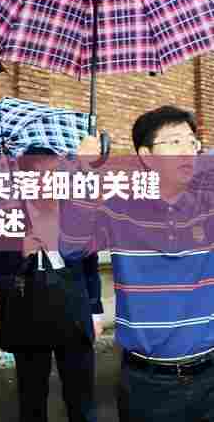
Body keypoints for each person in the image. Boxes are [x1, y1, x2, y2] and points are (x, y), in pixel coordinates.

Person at [60, 105, 214, 422]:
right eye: (174, 142)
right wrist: (81, 171)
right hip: (148, 384)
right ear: (146, 156)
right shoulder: (119, 209)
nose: (187, 150)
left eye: (191, 141)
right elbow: (72, 248)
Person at [0, 146, 104, 422]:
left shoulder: (75, 214)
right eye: (42, 174)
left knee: (82, 397)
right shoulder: (11, 219)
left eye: (56, 173)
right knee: (32, 399)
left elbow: (90, 266)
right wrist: (20, 254)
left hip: (73, 314)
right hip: (29, 317)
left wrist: (95, 311)